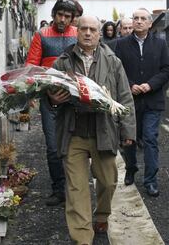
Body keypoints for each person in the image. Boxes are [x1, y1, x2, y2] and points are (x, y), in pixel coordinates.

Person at [47, 15, 136, 245]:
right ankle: (82, 239)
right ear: (76, 32)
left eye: (93, 30)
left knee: (108, 182)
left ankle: (102, 216)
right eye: (84, 29)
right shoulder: (63, 61)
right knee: (77, 190)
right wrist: (53, 100)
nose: (88, 33)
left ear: (100, 33)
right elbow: (48, 97)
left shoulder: (112, 61)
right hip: (73, 132)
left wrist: (128, 132)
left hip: (103, 131)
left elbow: (125, 97)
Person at [114, 8, 169, 197]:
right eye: (136, 18)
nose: (138, 21)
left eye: (143, 19)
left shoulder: (160, 44)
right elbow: (117, 70)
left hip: (152, 100)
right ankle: (131, 168)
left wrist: (150, 85)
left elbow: (167, 70)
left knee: (150, 139)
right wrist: (130, 85)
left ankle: (151, 180)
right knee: (129, 139)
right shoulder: (121, 44)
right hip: (129, 100)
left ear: (150, 23)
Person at [26, 0, 78, 206]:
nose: (62, 19)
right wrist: (35, 93)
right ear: (54, 14)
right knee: (53, 146)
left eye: (67, 16)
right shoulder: (42, 35)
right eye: (59, 15)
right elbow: (31, 66)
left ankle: (75, 186)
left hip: (76, 98)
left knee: (77, 145)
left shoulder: (78, 33)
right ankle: (59, 189)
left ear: (73, 18)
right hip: (50, 98)